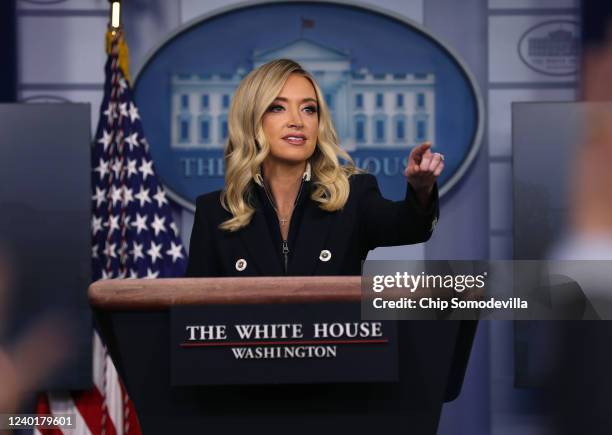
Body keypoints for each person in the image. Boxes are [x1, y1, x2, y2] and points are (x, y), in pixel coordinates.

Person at [186, 59, 444, 277]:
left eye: (309, 109)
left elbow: (410, 226)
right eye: (278, 108)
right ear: (251, 120)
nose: (297, 121)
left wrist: (422, 189)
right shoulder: (215, 211)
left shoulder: (352, 195)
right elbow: (193, 318)